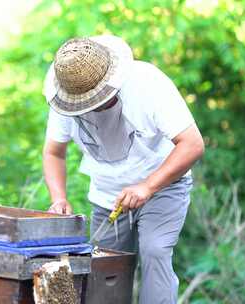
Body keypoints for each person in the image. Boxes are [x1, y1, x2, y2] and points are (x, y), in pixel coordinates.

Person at [42, 36, 204, 303]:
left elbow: (193, 144)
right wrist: (58, 198)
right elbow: (53, 153)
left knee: (155, 249)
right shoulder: (66, 96)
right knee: (105, 270)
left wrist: (148, 186)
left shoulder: (148, 83)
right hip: (108, 198)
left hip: (163, 185)